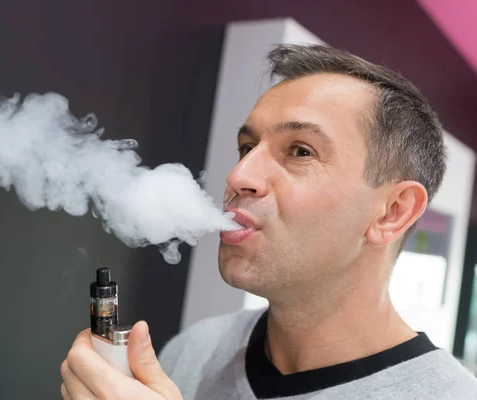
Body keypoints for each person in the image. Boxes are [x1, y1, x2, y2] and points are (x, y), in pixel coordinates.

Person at [59, 44, 477, 399]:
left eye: (300, 151)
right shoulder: (194, 349)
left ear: (392, 212)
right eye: (246, 147)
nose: (239, 176)